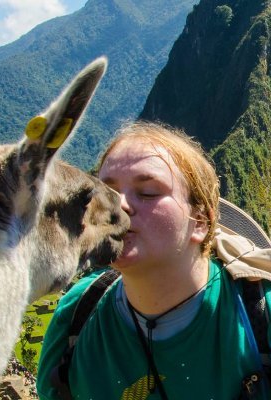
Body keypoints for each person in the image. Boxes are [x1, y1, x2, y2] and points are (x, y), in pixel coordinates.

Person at [36, 121, 271, 400]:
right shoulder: (76, 314)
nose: (119, 205)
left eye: (148, 192)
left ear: (200, 222)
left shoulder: (260, 313)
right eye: (106, 193)